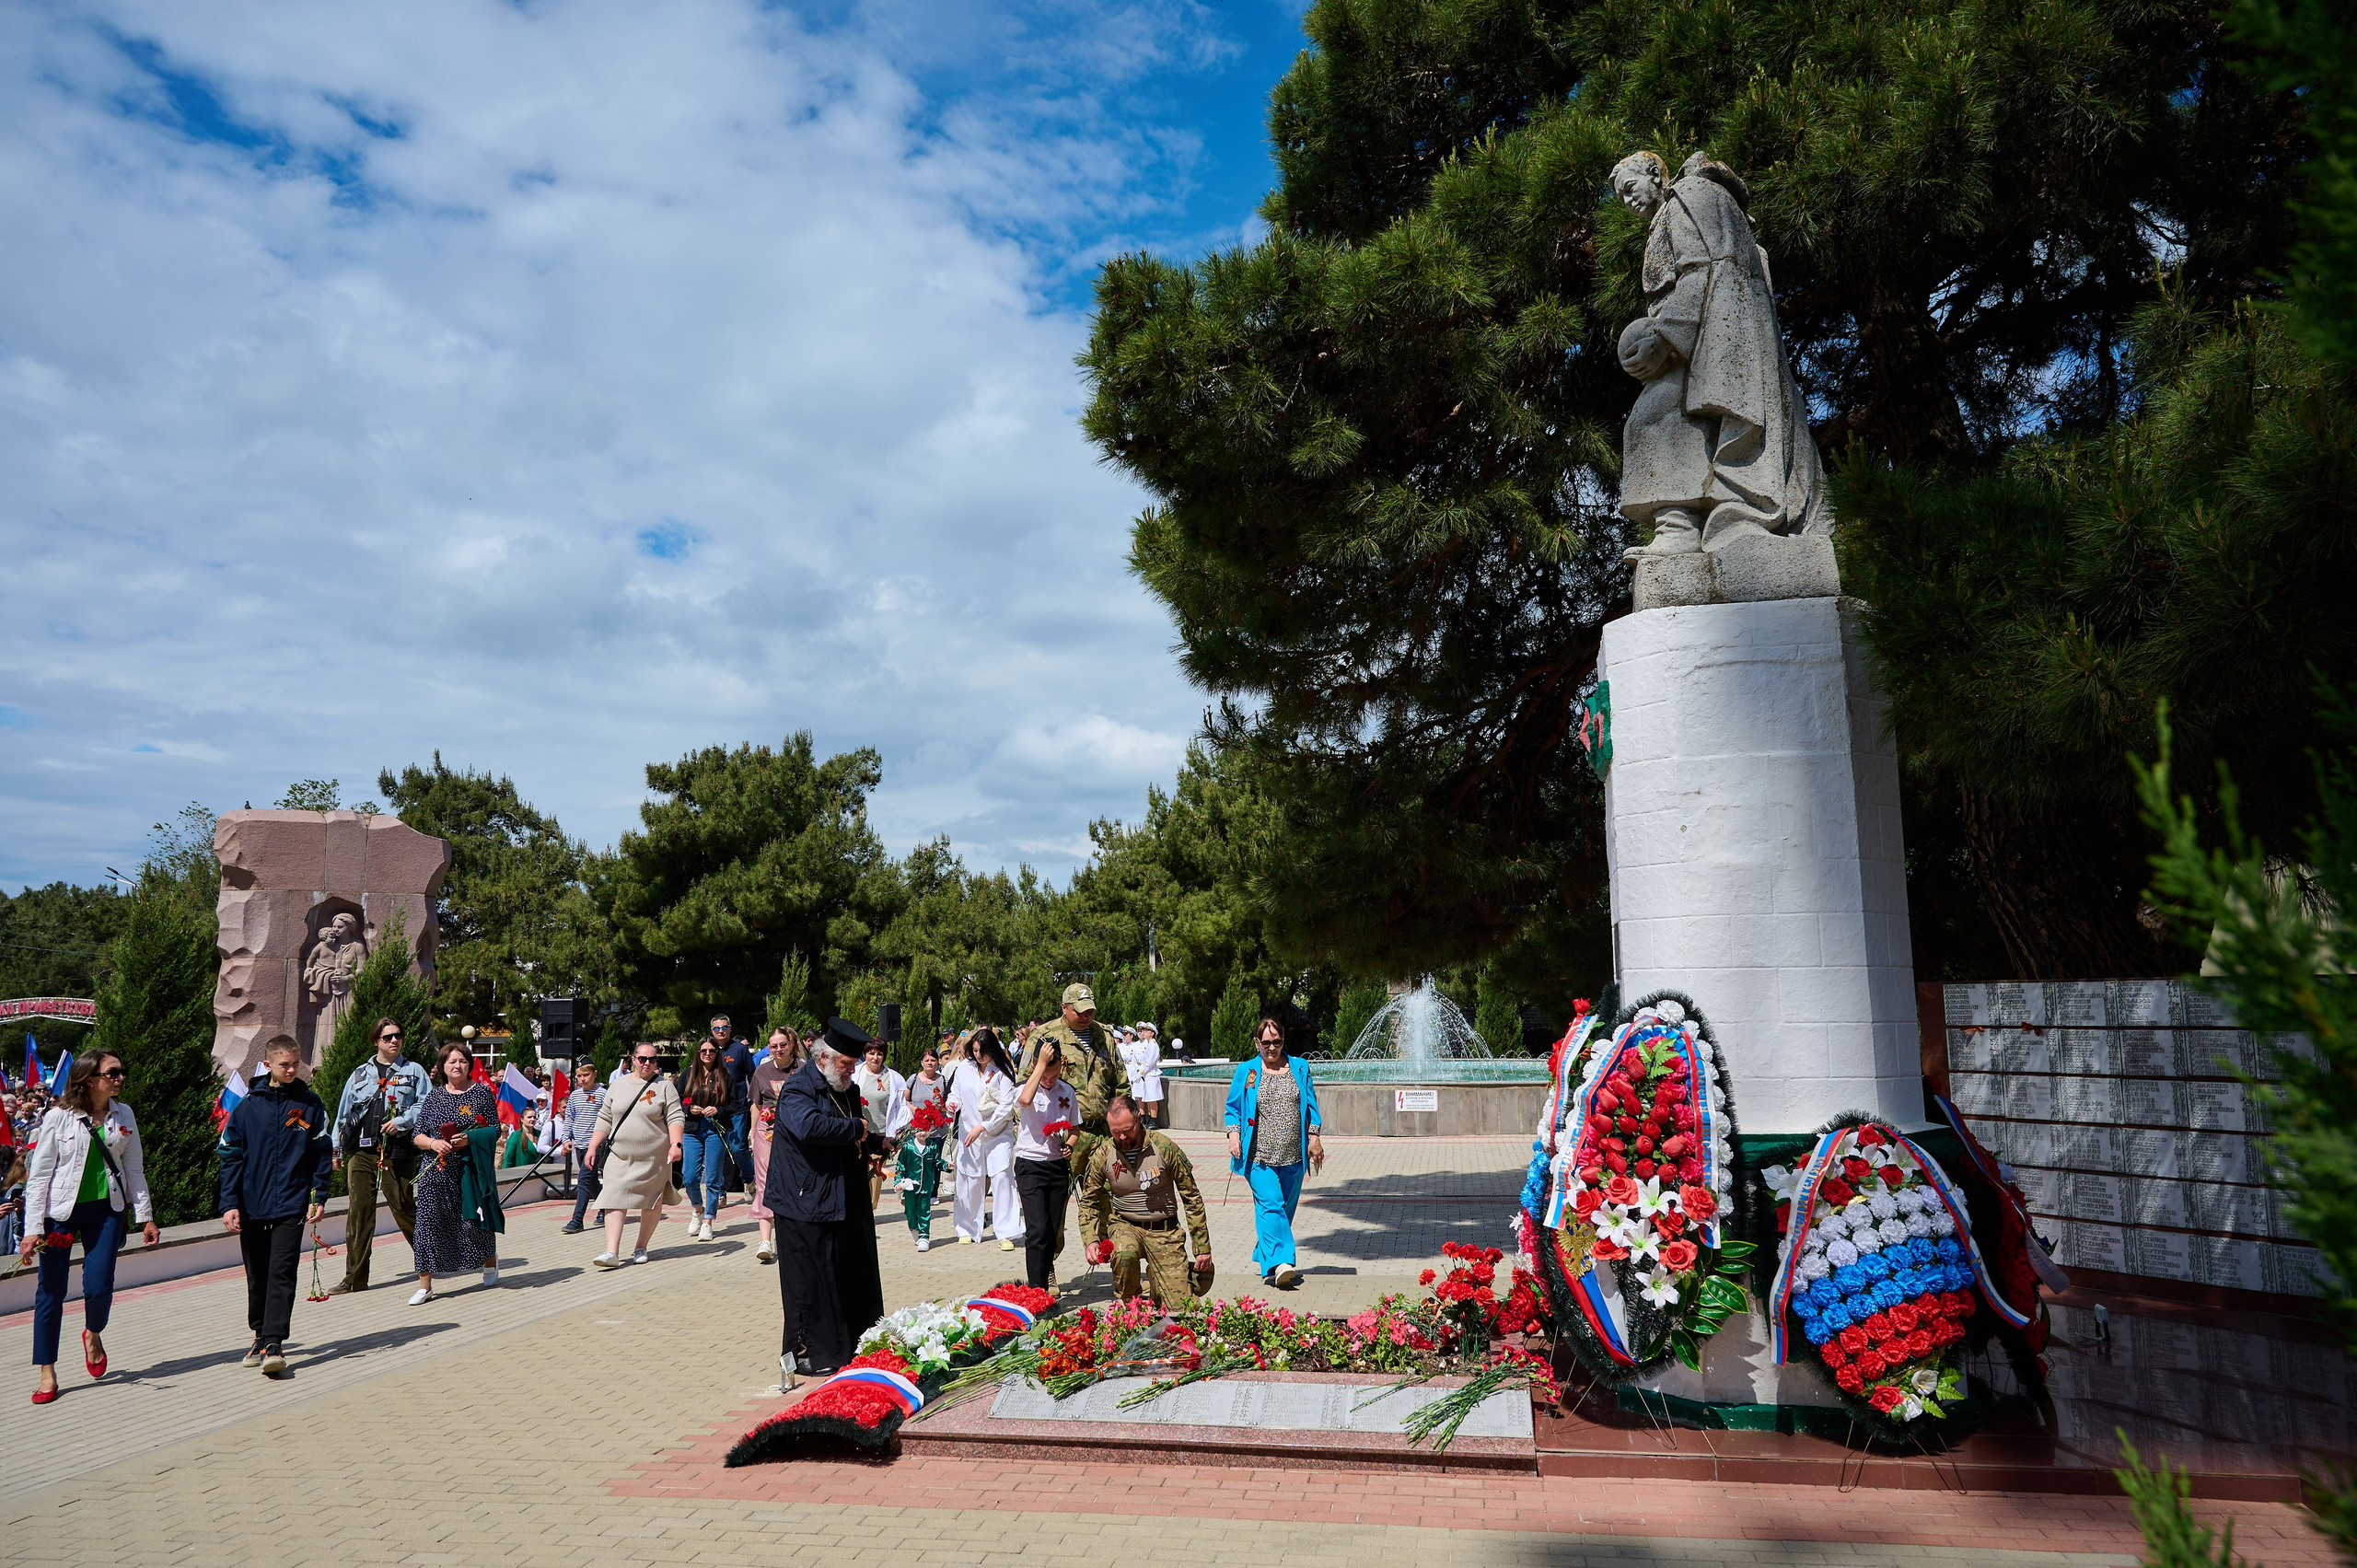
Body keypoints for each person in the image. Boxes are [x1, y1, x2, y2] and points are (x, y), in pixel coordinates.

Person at [1611, 149, 1826, 558]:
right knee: (1659, 417)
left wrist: (1665, 338)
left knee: (1654, 416)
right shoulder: (1673, 213)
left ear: (1655, 175)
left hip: (1704, 339)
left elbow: (1702, 271)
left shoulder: (1687, 199)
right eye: (1621, 196)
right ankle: (1678, 526)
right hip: (1690, 342)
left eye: (1630, 188)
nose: (1628, 201)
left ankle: (1681, 528)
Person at [21, 1051, 156, 1404]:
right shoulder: (57, 1118)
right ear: (88, 1078)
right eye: (113, 1073)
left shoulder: (124, 1114)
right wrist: (32, 1229)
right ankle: (47, 1370)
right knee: (50, 1291)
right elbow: (38, 1178)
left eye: (121, 1072)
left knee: (99, 1287)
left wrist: (146, 1216)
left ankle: (93, 1333)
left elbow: (134, 1168)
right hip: (59, 1212)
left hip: (106, 1210)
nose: (120, 1078)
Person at [769, 1018, 889, 1382]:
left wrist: (876, 1142)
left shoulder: (846, 1088)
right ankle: (811, 1353)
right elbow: (811, 1128)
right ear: (823, 1058)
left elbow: (854, 1129)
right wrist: (858, 1130)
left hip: (841, 1199)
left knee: (848, 1275)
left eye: (853, 1065)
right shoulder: (797, 1089)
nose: (852, 1071)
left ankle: (852, 1345)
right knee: (811, 1282)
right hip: (803, 1202)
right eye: (846, 1064)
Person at [218, 1036, 331, 1376]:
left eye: (296, 1063)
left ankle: (275, 1343)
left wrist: (319, 1196)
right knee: (258, 1275)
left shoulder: (310, 1104)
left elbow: (321, 1154)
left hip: (292, 1204)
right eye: (285, 1064)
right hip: (251, 1206)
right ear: (267, 1065)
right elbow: (230, 1158)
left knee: (282, 1273)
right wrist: (229, 1204)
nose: (293, 1069)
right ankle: (259, 1334)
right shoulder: (247, 1106)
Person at [1018, 983, 1131, 1272]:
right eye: (1080, 1011)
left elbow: (1120, 1081)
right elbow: (1024, 1085)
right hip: (1062, 1138)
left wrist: (1124, 1120)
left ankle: (1114, 1262)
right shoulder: (1044, 1037)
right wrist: (1038, 1134)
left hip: (1101, 1134)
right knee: (1054, 1210)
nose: (1086, 1016)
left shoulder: (1103, 1036)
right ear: (1065, 1008)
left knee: (1110, 1198)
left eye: (1090, 1010)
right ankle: (1048, 1268)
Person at [327, 1017, 430, 1295]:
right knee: (359, 1214)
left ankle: (430, 1257)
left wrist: (403, 1121)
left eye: (398, 1035)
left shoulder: (415, 1071)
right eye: (387, 1037)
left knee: (404, 1207)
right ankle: (355, 1279)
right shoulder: (361, 1073)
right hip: (362, 1153)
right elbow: (343, 1114)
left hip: (397, 1151)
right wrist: (336, 1150)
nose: (394, 1041)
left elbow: (426, 1104)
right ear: (376, 1041)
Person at [1224, 1016, 1324, 1290]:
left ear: (1283, 1041)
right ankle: (1283, 1264)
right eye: (1265, 1042)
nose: (1271, 1048)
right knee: (1271, 1206)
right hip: (1259, 1157)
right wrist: (1234, 1135)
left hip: (1293, 1157)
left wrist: (1314, 1139)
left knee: (1282, 1212)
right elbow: (1232, 1107)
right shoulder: (1247, 1071)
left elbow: (1311, 1108)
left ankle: (1265, 1255)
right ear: (1257, 1042)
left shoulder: (1299, 1067)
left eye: (1276, 1041)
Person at [1081, 1095, 1209, 1307]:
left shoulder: (1164, 1148)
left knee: (1183, 1308)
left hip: (1164, 1229)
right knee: (1124, 1253)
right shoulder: (1103, 1154)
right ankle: (1132, 1308)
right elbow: (1088, 1202)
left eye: (1127, 1130)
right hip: (1125, 1225)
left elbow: (1192, 1197)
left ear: (1139, 1118)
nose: (1122, 1137)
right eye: (1115, 1131)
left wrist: (1202, 1246)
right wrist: (1091, 1240)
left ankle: (1159, 1280)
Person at [407, 1042, 503, 1306]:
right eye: (451, 1062)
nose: (457, 1066)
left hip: (468, 1168)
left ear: (469, 1064)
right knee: (426, 1224)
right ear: (442, 1067)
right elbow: (418, 1135)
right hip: (435, 1168)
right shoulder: (434, 1096)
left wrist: (469, 1138)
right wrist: (434, 1143)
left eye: (461, 1061)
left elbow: (495, 1129)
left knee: (473, 1220)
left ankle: (489, 1260)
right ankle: (425, 1285)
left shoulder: (481, 1094)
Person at [585, 1044, 685, 1269]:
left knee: (651, 1201)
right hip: (619, 1155)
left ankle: (641, 1246)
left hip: (654, 1158)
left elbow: (676, 1116)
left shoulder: (665, 1087)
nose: (646, 1063)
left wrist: (675, 1144)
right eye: (642, 1058)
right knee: (614, 1196)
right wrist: (592, 1147)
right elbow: (605, 1117)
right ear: (632, 1059)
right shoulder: (618, 1085)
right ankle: (612, 1251)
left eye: (651, 1059)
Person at [1012, 1040, 1079, 1293]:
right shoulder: (1026, 1087)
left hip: (1056, 1167)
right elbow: (1025, 1100)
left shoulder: (1067, 1091)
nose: (1050, 1082)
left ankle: (1047, 1273)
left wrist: (1069, 1145)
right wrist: (1039, 1065)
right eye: (1046, 1076)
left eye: (1055, 1076)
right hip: (1030, 1165)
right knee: (1037, 1230)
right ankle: (1036, 1290)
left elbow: (1074, 1128)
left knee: (1052, 1230)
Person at [952, 1030, 1020, 1249]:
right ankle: (967, 1227)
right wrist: (952, 1104)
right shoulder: (964, 1068)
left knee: (1001, 1177)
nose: (979, 1056)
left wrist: (984, 1127)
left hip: (997, 1134)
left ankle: (1006, 1231)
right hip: (968, 1132)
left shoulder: (1003, 1071)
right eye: (975, 1051)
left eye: (984, 1051)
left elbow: (1006, 1106)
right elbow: (955, 1093)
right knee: (970, 1179)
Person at [675, 1037, 736, 1241]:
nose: (707, 1054)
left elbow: (736, 1104)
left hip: (715, 1131)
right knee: (689, 1177)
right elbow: (680, 1100)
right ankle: (698, 1209)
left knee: (712, 1178)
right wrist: (688, 1108)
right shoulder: (688, 1075)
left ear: (716, 1053)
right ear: (698, 1053)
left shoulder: (725, 1075)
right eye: (703, 1051)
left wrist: (717, 1110)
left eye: (711, 1050)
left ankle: (708, 1220)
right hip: (692, 1130)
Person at [888, 1046, 949, 1250]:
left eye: (933, 1060)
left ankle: (931, 1194)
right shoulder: (913, 1079)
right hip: (916, 1126)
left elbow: (947, 1103)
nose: (930, 1063)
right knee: (911, 1210)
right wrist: (915, 1110)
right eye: (927, 1060)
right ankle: (914, 1227)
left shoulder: (942, 1081)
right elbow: (904, 1100)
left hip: (935, 1128)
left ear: (938, 1062)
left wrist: (948, 1165)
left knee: (932, 1158)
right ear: (921, 1062)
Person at [747, 1032, 798, 1263]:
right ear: (768, 1048)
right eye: (774, 1046)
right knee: (765, 1182)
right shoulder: (762, 1071)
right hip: (766, 1132)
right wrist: (752, 1132)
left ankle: (792, 1236)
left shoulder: (804, 1069)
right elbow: (756, 1106)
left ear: (791, 1045)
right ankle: (765, 1240)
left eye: (783, 1045)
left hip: (796, 1132)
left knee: (794, 1181)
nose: (779, 1049)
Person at [850, 1040, 904, 1212]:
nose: (875, 1057)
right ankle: (857, 1213)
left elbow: (900, 1108)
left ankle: (869, 1212)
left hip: (880, 1137)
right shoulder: (854, 1073)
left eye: (879, 1054)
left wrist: (897, 1134)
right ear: (864, 1054)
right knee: (855, 1177)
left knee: (874, 1178)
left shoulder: (893, 1078)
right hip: (857, 1134)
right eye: (871, 1053)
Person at [709, 1016, 755, 1200]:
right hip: (714, 1108)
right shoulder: (707, 1049)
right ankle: (720, 1192)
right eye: (717, 1028)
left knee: (737, 1148)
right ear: (712, 1030)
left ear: (730, 1029)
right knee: (717, 1149)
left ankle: (749, 1179)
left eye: (724, 1027)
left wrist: (754, 1102)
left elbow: (752, 1076)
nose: (721, 1031)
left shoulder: (740, 1050)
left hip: (738, 1107)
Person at [558, 1068, 607, 1233]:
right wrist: (566, 1139)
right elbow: (570, 1118)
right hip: (579, 1144)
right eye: (579, 1076)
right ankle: (605, 1208)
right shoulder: (575, 1095)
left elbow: (608, 1118)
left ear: (594, 1074)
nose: (582, 1079)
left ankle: (577, 1220)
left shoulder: (602, 1094)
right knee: (592, 1182)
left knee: (584, 1180)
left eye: (586, 1075)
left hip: (596, 1145)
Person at [1118, 1024, 1164, 1130]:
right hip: (1147, 1074)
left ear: (1152, 1033)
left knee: (1152, 1099)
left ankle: (1153, 1121)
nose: (1144, 1032)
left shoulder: (1153, 1044)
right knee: (1148, 1098)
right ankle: (1150, 1120)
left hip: (1151, 1073)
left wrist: (1141, 1072)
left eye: (1147, 1031)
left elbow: (1150, 1061)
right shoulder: (1149, 1044)